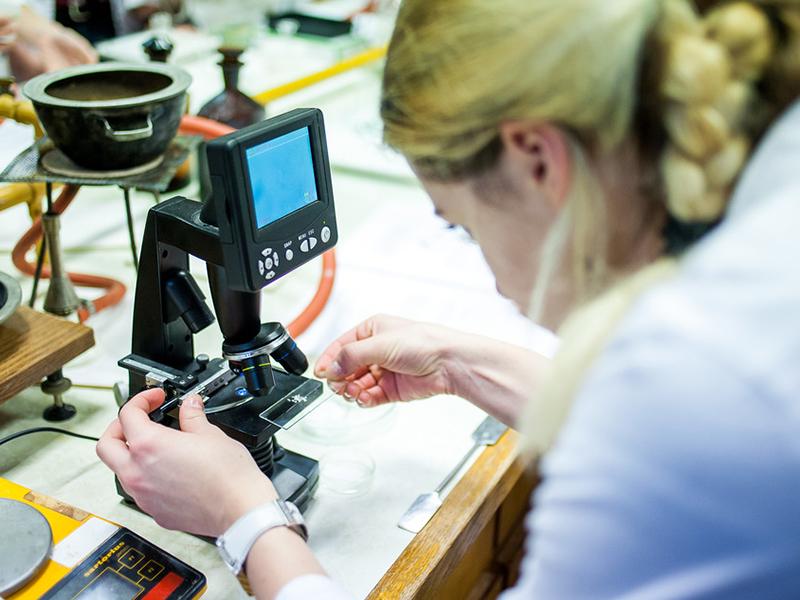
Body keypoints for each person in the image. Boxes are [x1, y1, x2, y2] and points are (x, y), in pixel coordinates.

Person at [96, 0, 800, 598]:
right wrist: (466, 367)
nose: (493, 276)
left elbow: (680, 428)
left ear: (537, 159)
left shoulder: (707, 376)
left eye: (463, 225)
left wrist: (245, 521)